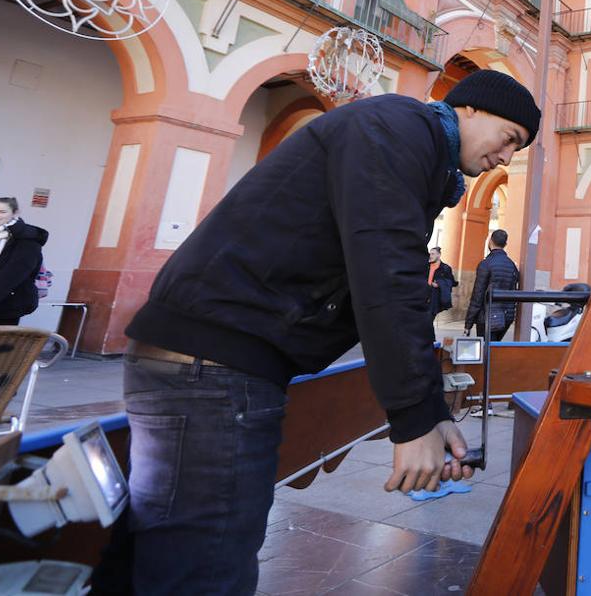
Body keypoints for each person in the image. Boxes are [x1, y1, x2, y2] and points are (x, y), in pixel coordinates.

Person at [109, 69, 540, 594]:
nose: (506, 158)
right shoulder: (399, 129)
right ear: (471, 108)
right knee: (205, 568)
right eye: (510, 138)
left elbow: (382, 279)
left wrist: (429, 414)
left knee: (172, 555)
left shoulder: (406, 144)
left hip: (211, 361)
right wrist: (411, 423)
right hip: (214, 366)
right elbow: (386, 275)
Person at [0, 197, 48, 326]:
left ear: (15, 213)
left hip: (3, 305)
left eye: (2, 212)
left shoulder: (27, 238)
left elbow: (13, 274)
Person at [467, 228, 519, 341]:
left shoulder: (486, 264)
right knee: (495, 348)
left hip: (487, 316)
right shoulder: (512, 265)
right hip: (506, 316)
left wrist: (468, 323)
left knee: (485, 350)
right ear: (505, 244)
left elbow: (478, 295)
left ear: (490, 241)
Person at [426, 245, 455, 336]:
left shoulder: (445, 268)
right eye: (430, 254)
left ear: (439, 255)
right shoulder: (425, 266)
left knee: (428, 320)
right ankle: (430, 340)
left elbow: (451, 282)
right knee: (425, 321)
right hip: (423, 296)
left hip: (435, 299)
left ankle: (430, 340)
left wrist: (439, 283)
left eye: (433, 254)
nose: (431, 256)